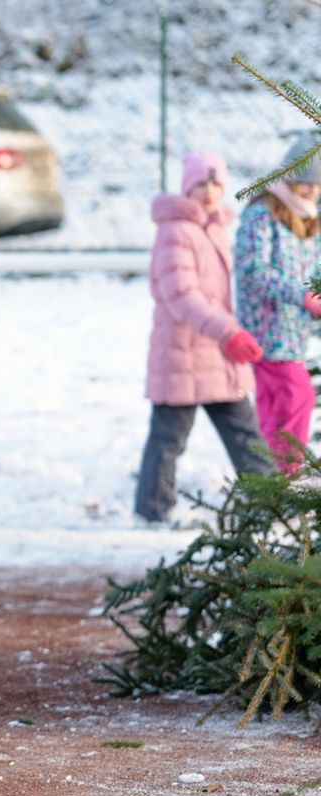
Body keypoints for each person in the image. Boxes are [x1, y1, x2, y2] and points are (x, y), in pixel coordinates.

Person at [135, 152, 276, 525]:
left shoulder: (213, 229)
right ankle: (152, 510)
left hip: (215, 356)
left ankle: (271, 505)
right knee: (168, 438)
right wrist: (228, 331)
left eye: (216, 184)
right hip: (182, 356)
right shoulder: (176, 231)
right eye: (201, 183)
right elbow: (182, 296)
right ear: (187, 187)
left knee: (245, 432)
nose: (210, 191)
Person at [234, 134, 321, 473]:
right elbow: (253, 270)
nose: (310, 191)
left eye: (316, 185)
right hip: (266, 330)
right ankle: (284, 470)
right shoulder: (262, 214)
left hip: (293, 332)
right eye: (304, 183)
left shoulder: (309, 220)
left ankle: (265, 476)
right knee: (298, 395)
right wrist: (301, 296)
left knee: (273, 407)